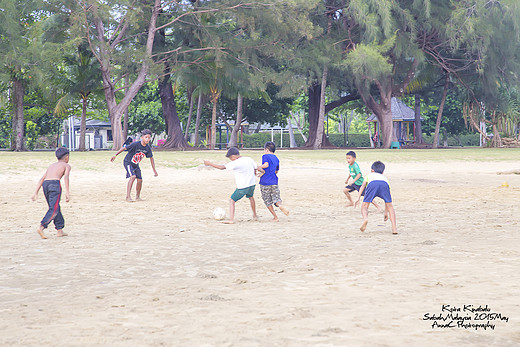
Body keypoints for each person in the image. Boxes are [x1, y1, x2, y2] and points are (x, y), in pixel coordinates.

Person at [203, 147, 264, 224]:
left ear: (233, 156)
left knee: (232, 201)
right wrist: (263, 172)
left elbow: (221, 167)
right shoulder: (249, 159)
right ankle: (255, 216)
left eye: (230, 158)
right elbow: (258, 168)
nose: (231, 160)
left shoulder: (236, 162)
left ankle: (231, 220)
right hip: (252, 185)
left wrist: (209, 164)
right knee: (251, 198)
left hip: (243, 187)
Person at [32, 147, 72, 239]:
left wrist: (36, 192)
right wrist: (67, 192)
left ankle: (59, 230)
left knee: (55, 206)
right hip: (55, 184)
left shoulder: (52, 166)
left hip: (45, 185)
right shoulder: (67, 166)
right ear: (67, 158)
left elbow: (42, 179)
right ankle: (42, 227)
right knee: (53, 209)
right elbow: (66, 178)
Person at [111, 129, 158, 202]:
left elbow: (151, 158)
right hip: (128, 162)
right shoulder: (136, 144)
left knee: (140, 180)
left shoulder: (147, 148)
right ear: (142, 137)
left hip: (135, 164)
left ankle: (137, 197)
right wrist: (115, 155)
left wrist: (154, 171)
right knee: (133, 176)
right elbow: (124, 148)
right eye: (146, 137)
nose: (147, 139)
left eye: (149, 138)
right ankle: (128, 196)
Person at [355, 161, 397, 234]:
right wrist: (385, 213)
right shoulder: (384, 178)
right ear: (383, 172)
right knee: (390, 206)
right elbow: (387, 201)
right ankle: (394, 228)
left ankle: (365, 219)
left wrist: (358, 197)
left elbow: (363, 186)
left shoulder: (369, 175)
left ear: (372, 170)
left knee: (364, 206)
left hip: (372, 184)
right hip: (384, 185)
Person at [258, 141, 289, 222]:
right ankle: (280, 205)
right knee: (276, 198)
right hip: (274, 181)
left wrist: (257, 167)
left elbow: (266, 165)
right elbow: (276, 171)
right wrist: (262, 173)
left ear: (267, 149)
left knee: (267, 200)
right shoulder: (276, 158)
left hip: (265, 182)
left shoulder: (265, 156)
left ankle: (275, 217)